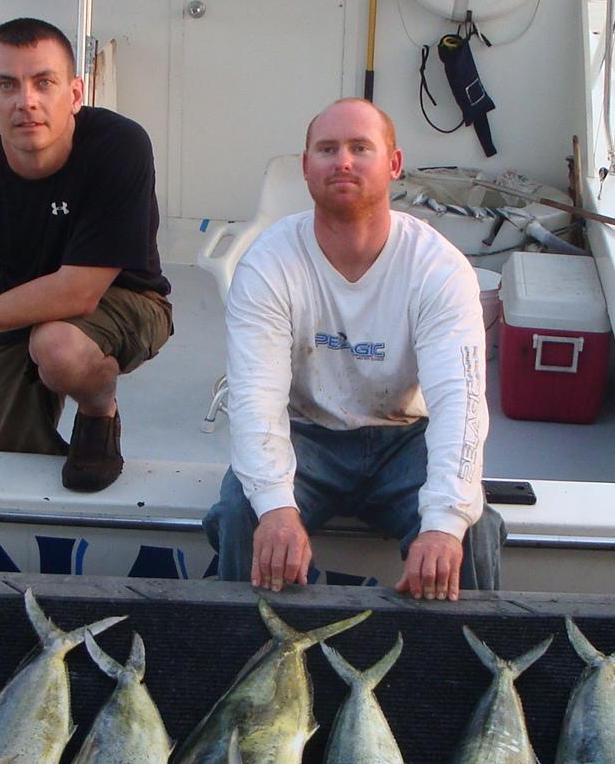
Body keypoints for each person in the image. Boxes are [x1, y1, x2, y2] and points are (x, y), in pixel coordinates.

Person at [205, 97, 503, 599]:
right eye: (327, 148)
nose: (342, 160)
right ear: (306, 167)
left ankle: (465, 667)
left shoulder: (438, 267)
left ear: (393, 164)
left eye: (360, 147)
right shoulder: (269, 264)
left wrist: (445, 523)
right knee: (242, 513)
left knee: (474, 529)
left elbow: (461, 403)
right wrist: (276, 509)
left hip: (405, 437)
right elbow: (256, 399)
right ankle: (251, 660)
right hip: (307, 435)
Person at [0, 18, 172, 492]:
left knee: (57, 347)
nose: (26, 101)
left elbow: (79, 292)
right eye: (7, 85)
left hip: (127, 299)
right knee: (6, 444)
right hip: (20, 306)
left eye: (44, 82)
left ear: (75, 93)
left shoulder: (119, 146)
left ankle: (98, 410)